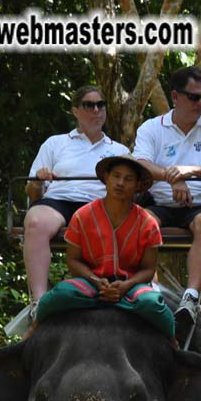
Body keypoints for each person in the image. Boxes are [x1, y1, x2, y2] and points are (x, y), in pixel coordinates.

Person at [133, 65, 201, 344]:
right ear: (175, 97)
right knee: (141, 221)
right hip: (162, 201)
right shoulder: (152, 128)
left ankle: (190, 297)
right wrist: (172, 178)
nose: (200, 104)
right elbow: (139, 163)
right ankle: (149, 286)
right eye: (194, 97)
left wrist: (190, 171)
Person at [33, 156, 173, 338]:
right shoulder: (82, 215)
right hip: (90, 284)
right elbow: (73, 260)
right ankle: (32, 331)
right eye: (116, 176)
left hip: (130, 287)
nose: (121, 183)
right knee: (57, 296)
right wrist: (95, 280)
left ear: (138, 185)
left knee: (154, 305)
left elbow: (148, 269)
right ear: (106, 178)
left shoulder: (148, 223)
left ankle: (173, 344)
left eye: (129, 179)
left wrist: (125, 286)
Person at [21, 85, 129, 318]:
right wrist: (38, 181)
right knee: (35, 221)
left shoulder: (119, 150)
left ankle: (127, 292)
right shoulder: (55, 143)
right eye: (89, 105)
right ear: (76, 111)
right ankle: (38, 302)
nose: (96, 110)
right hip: (60, 199)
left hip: (100, 204)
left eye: (101, 105)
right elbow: (32, 191)